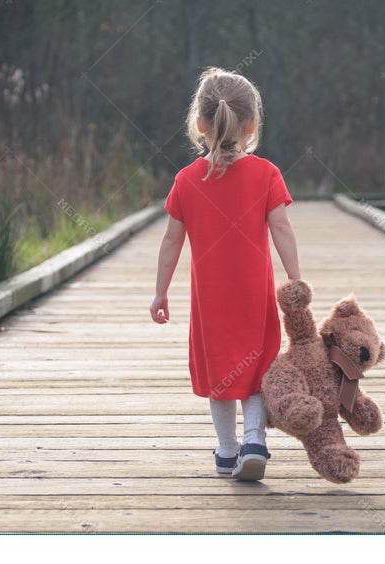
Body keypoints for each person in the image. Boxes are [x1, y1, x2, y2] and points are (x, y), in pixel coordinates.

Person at [150, 67, 301, 481]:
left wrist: (160, 293)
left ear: (200, 124)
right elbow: (282, 229)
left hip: (210, 302)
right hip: (254, 296)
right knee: (257, 366)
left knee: (220, 369)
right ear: (251, 124)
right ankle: (255, 440)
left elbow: (170, 244)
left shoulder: (186, 180)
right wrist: (294, 278)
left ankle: (227, 450)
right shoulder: (266, 174)